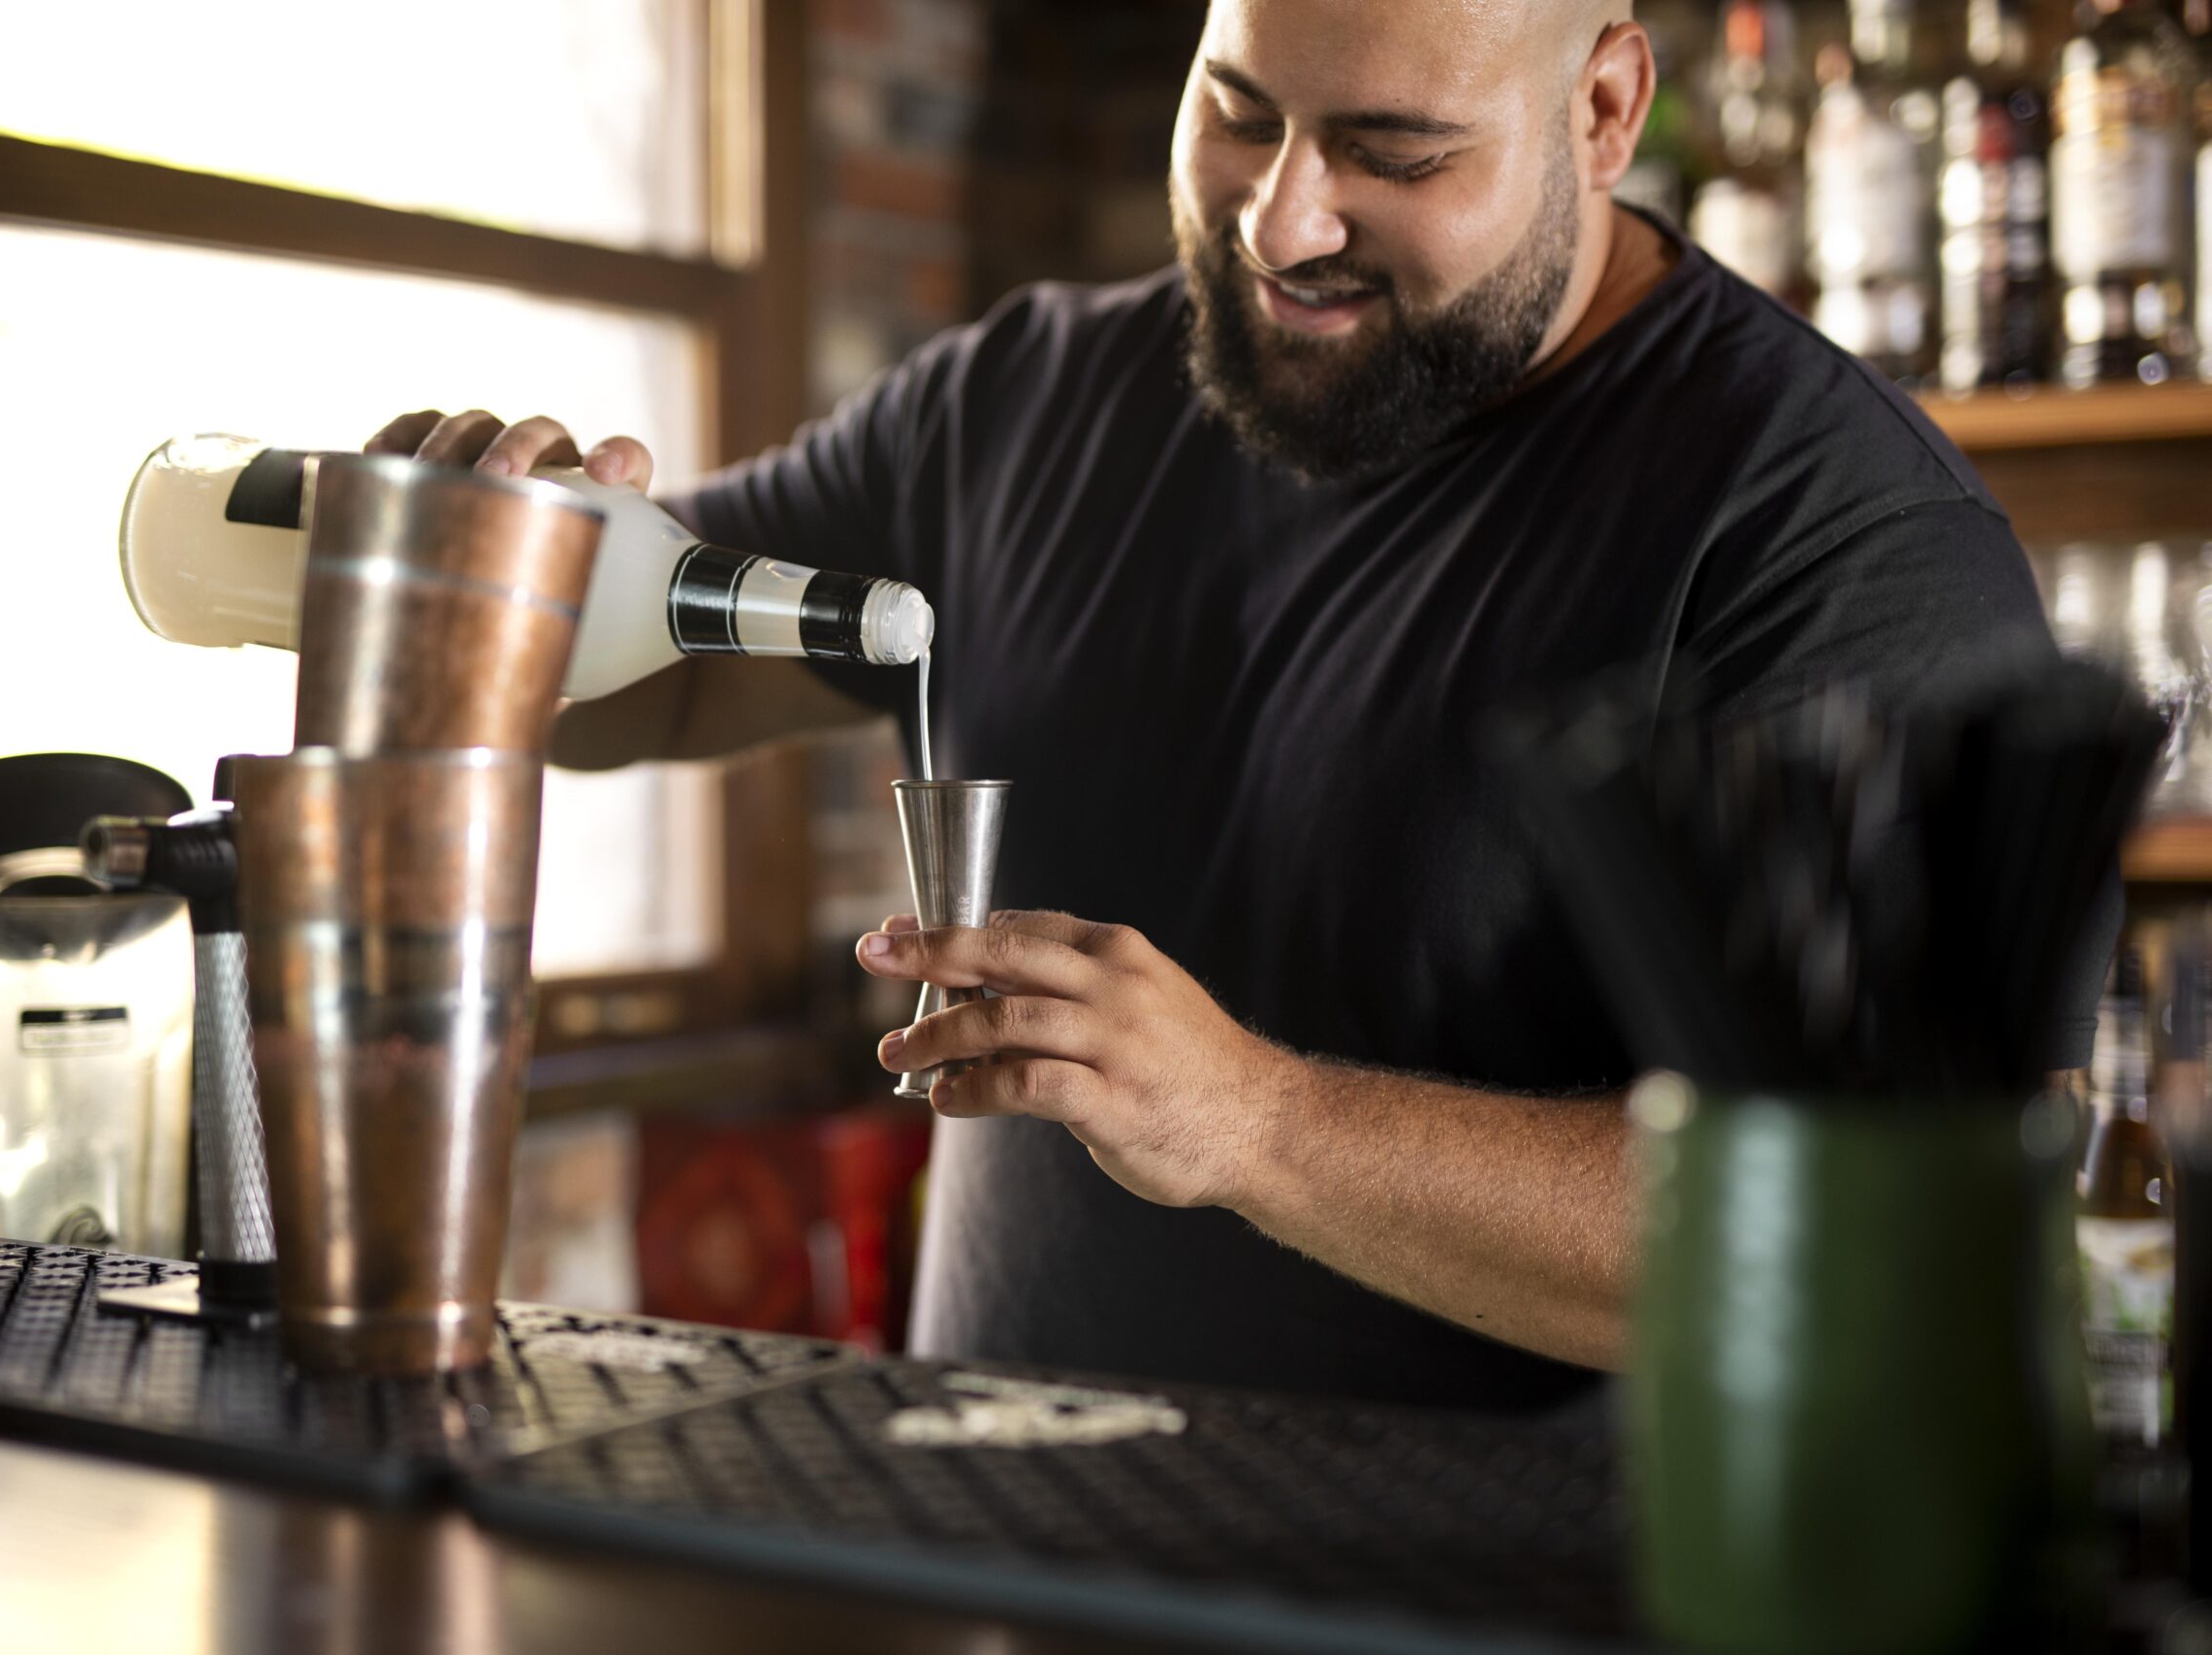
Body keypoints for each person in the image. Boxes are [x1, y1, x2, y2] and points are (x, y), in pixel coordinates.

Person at [368, 0, 2089, 1409]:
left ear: (1605, 107)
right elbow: (629, 698)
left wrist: (1257, 1119)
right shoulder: (1021, 405)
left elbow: (1881, 1243)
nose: (1284, 221)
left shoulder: (1837, 543)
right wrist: (479, 579)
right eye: (1239, 111)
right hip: (997, 1572)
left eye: (1393, 153)